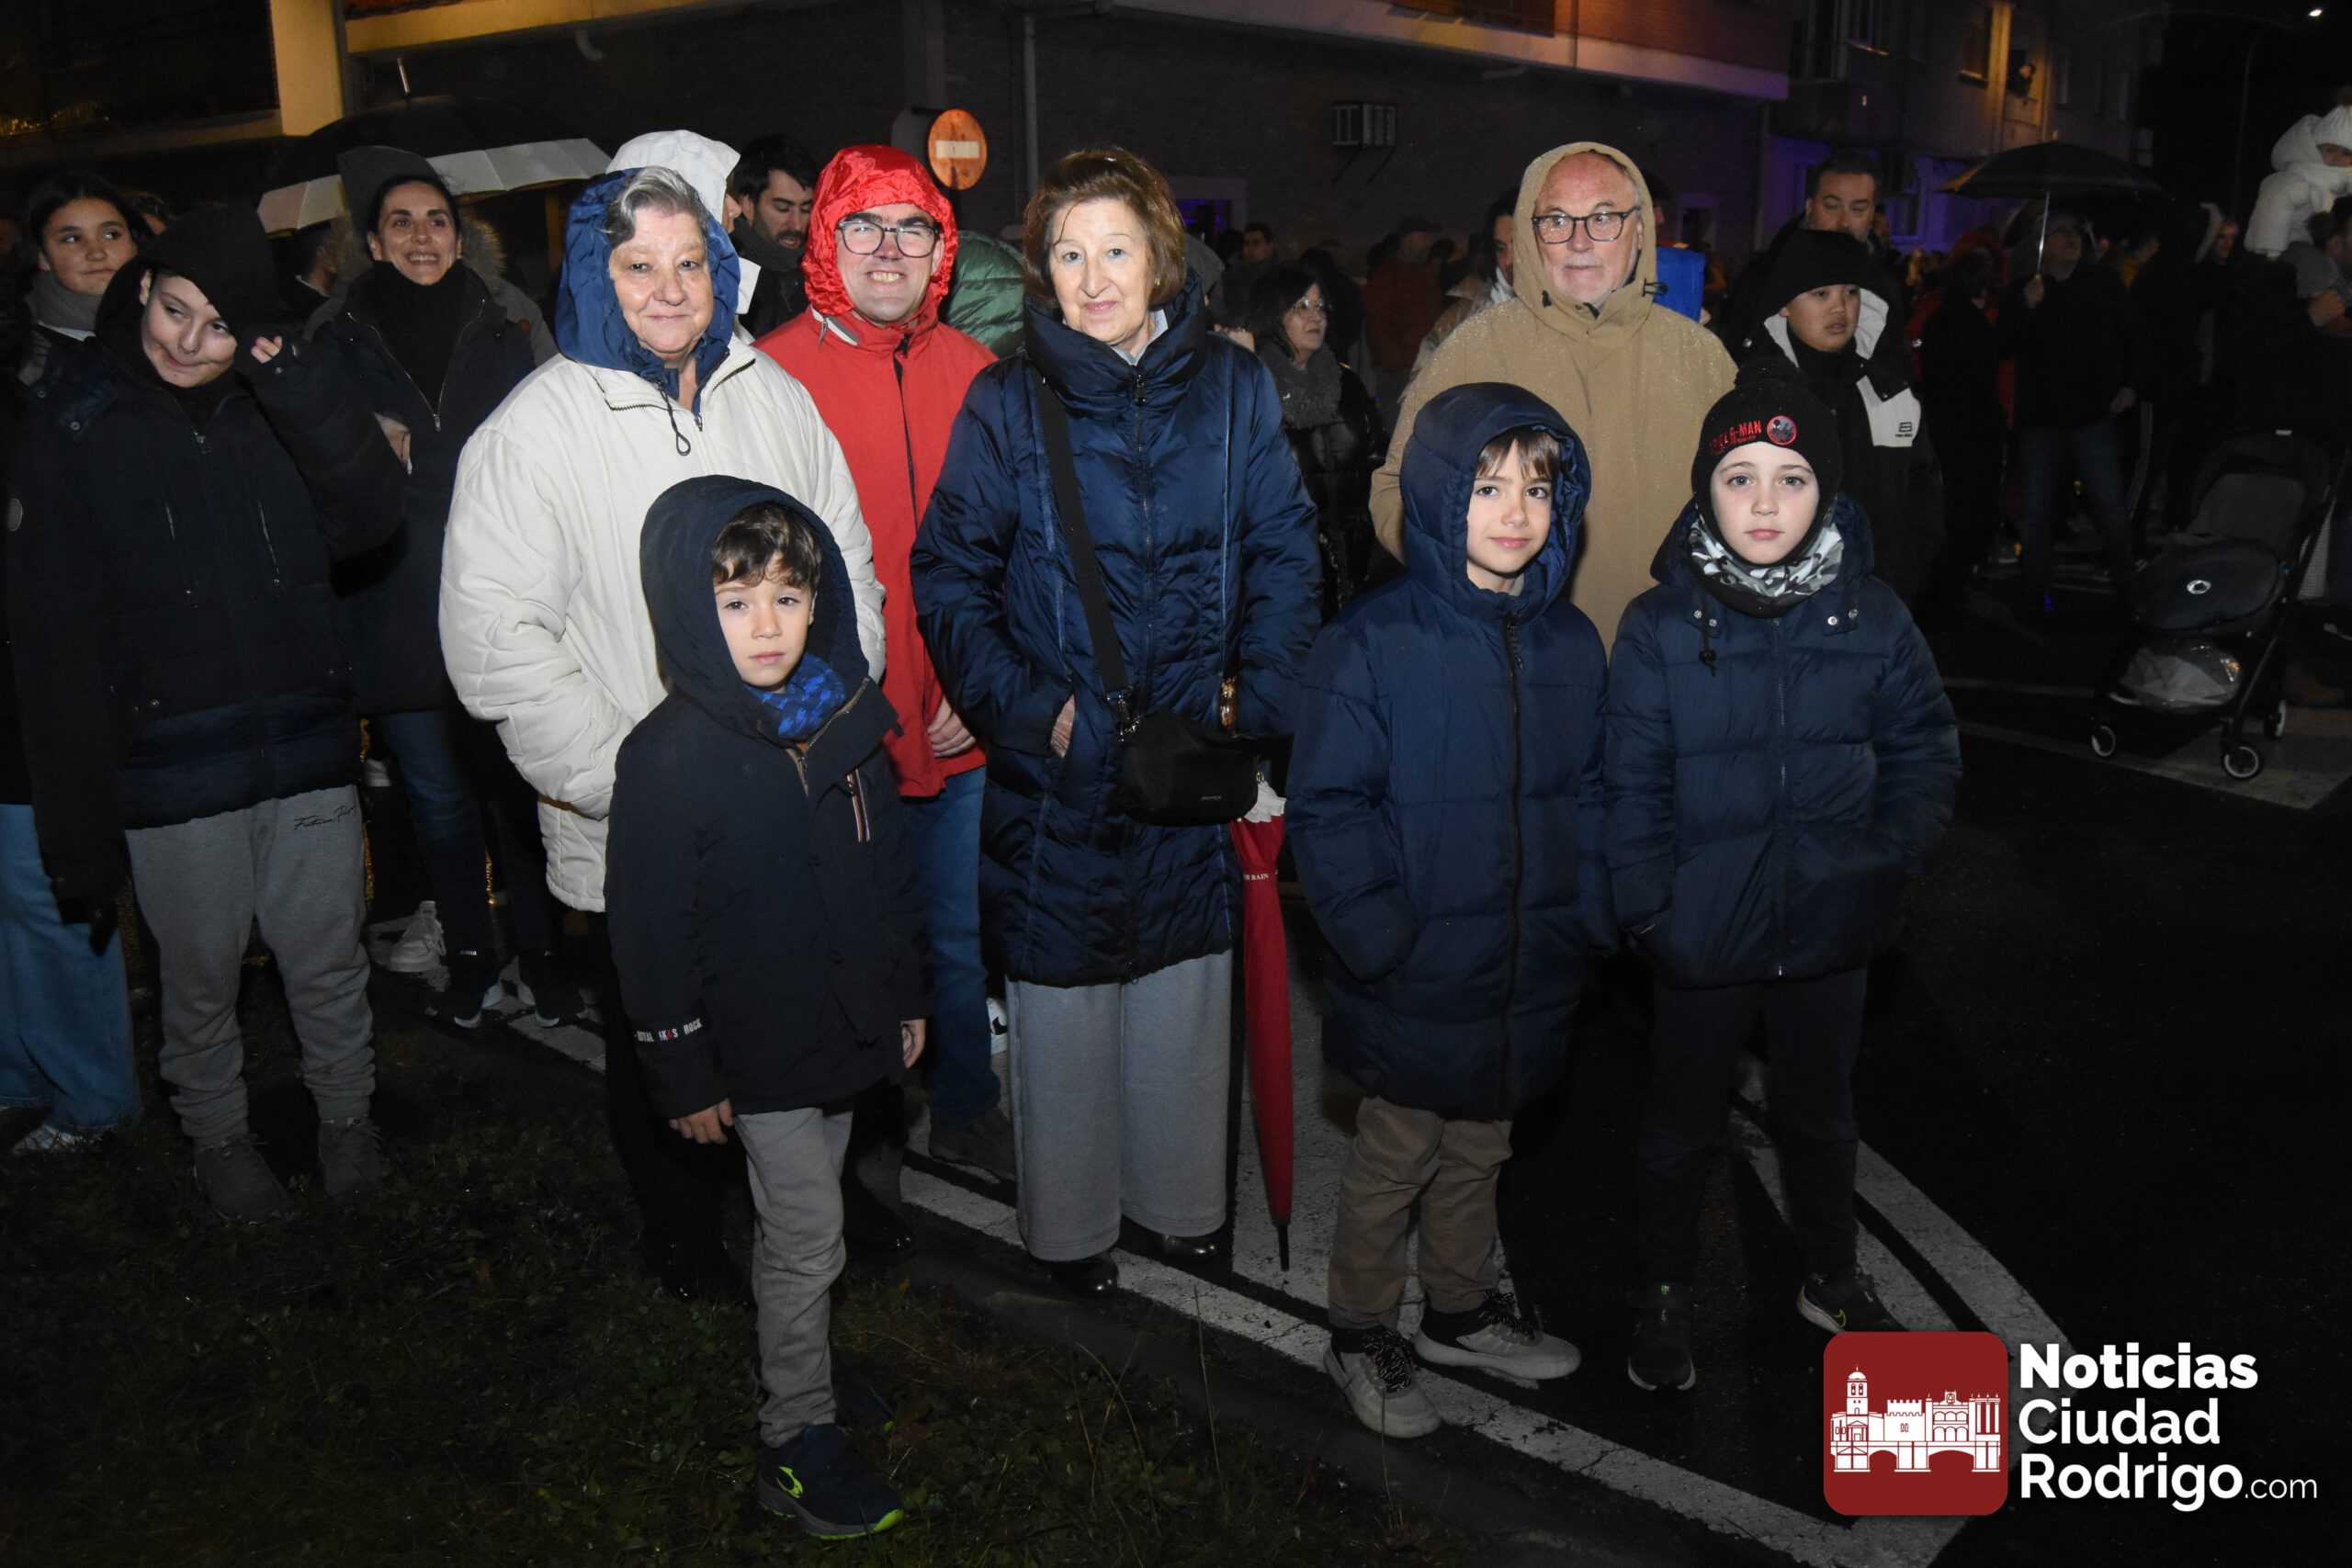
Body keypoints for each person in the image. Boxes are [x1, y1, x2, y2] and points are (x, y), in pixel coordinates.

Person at [441, 164, 883, 1301]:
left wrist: (824, 733)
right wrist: (637, 785)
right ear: (597, 276)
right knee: (664, 1033)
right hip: (636, 813)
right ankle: (681, 1236)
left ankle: (815, 1213)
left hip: (790, 798)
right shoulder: (535, 429)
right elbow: (496, 641)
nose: (671, 288)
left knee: (798, 1000)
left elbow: (844, 565)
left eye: (691, 261)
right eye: (639, 265)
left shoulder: (771, 395)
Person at [911, 147, 1320, 1297]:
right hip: (1065, 767)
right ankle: (1071, 1232)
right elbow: (948, 574)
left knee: (1184, 991)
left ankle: (1180, 1210)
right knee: (1064, 1004)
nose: (1094, 278)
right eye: (1068, 254)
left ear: (1160, 260)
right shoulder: (1006, 400)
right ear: (1043, 273)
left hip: (1194, 756)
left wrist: (1256, 695)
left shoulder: (1233, 388)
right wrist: (1033, 714)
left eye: (1116, 250)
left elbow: (1286, 548)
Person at [7, 206, 406, 1218]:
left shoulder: (277, 402)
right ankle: (219, 1137)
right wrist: (81, 796)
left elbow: (369, 515)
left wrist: (296, 385)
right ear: (144, 289)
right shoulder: (77, 422)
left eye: (220, 325)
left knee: (327, 960)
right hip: (172, 761)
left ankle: (348, 1119)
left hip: (304, 741)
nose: (189, 342)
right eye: (176, 310)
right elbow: (54, 625)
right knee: (198, 978)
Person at [1605, 360, 1960, 1393]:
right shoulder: (1659, 626)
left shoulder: (1874, 619)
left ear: (1827, 491)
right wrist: (1651, 912)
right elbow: (1627, 783)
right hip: (1699, 933)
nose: (1765, 503)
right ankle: (1664, 1288)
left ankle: (1830, 1275)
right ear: (1704, 490)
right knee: (1680, 1125)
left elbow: (1924, 752)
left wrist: (1883, 866)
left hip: (1829, 924)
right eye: (1740, 477)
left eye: (1791, 479)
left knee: (1822, 1115)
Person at [1288, 383, 1604, 1438]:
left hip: (1524, 963)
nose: (1514, 510)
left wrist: (1584, 913)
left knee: (1482, 1146)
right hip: (1415, 968)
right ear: (1434, 493)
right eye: (1485, 486)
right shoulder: (1373, 642)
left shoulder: (1569, 644)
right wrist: (1382, 941)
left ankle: (1458, 1312)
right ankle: (1359, 1331)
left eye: (1537, 488)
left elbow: (1594, 793)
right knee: (1396, 1159)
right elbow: (1329, 809)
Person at [609, 477, 921, 1540]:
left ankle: (803, 1367)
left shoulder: (836, 714)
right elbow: (650, 934)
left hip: (840, 1023)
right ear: (686, 608)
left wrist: (905, 990)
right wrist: (682, 1068)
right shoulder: (669, 756)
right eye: (735, 603)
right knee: (807, 1234)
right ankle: (793, 1440)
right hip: (757, 1045)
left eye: (788, 597)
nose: (767, 626)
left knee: (813, 1214)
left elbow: (887, 868)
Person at [758, 145, 1012, 1194]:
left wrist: (976, 686)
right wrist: (832, 708)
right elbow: (753, 571)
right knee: (845, 932)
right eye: (863, 226)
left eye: (913, 227)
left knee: (954, 931)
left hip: (956, 714)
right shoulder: (768, 376)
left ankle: (964, 1104)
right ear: (826, 240)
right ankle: (865, 1132)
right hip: (833, 721)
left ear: (941, 250)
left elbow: (1019, 550)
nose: (889, 250)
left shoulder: (980, 373)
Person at [310, 146, 571, 1027]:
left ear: (460, 236)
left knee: (520, 790)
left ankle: (543, 953)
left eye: (436, 221)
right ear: (372, 242)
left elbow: (557, 433)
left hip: (504, 587)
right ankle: (469, 954)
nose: (421, 237)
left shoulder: (510, 317)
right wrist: (357, 435)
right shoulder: (335, 335)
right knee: (436, 797)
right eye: (401, 223)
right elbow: (308, 452)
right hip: (397, 593)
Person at [1377, 142, 1735, 649]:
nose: (1579, 241)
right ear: (1531, 233)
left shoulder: (1699, 357)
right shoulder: (1474, 351)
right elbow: (1396, 492)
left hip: (1675, 655)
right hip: (1518, 655)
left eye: (1603, 218)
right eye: (1557, 221)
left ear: (1639, 231)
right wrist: (1476, 590)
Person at [0, 273, 137, 1155]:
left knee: (44, 891)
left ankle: (91, 1092)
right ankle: (19, 1071)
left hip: (27, 700)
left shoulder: (33, 416)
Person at [1736, 229, 1943, 606]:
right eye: (1821, 294)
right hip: (1783, 609)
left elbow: (1923, 498)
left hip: (1879, 600)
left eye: (1851, 292)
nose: (1840, 308)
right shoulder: (1755, 398)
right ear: (1784, 305)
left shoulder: (1891, 395)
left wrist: (1904, 580)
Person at [1997, 210, 2142, 615]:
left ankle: (2129, 587)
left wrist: (2129, 384)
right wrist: (2025, 307)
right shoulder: (2025, 289)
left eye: (2075, 231)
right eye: (2059, 232)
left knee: (2109, 504)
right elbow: (2003, 345)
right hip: (2040, 417)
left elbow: (2130, 335)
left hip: (2091, 412)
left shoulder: (2103, 284)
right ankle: (2035, 591)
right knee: (2037, 509)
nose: (2070, 239)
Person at [1250, 263, 1384, 615]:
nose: (1316, 316)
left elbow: (1377, 457)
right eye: (1301, 307)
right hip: (1287, 564)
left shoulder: (1347, 383)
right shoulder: (1254, 386)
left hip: (1357, 555)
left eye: (1320, 305)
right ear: (1273, 314)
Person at [1715, 151, 1904, 353]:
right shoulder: (1763, 277)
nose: (1844, 222)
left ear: (1872, 214)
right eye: (1832, 206)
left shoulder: (1885, 283)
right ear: (1810, 207)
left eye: (1858, 209)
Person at [1917, 248, 2007, 621]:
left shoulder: (1939, 319)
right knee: (1965, 510)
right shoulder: (1974, 325)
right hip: (1970, 430)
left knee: (1949, 506)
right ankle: (1950, 591)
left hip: (1945, 426)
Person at [17, 172, 140, 386]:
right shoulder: (23, 357)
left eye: (111, 235)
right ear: (43, 257)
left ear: (134, 243)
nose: (96, 253)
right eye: (72, 239)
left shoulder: (179, 323)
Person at [1410, 191, 1514, 380]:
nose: (1508, 260)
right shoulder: (1464, 315)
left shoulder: (1566, 314)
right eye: (1500, 248)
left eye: (1519, 245)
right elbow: (1421, 385)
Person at [727, 134, 820, 338]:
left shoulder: (824, 272)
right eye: (782, 208)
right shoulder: (726, 277)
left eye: (806, 209)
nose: (797, 224)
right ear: (748, 205)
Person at [1362, 217, 1443, 422]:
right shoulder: (1387, 276)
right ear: (1408, 239)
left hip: (1421, 366)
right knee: (1397, 425)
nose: (1429, 243)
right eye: (1424, 237)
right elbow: (1378, 325)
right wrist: (1398, 362)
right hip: (1400, 371)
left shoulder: (1423, 273)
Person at [2246, 107, 2352, 259]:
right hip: (2284, 246)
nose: (2336, 158)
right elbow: (2272, 210)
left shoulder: (2338, 179)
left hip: (2309, 245)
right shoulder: (2296, 179)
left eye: (2346, 153)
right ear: (2315, 149)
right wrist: (2271, 254)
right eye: (2330, 150)